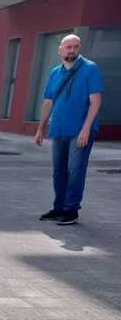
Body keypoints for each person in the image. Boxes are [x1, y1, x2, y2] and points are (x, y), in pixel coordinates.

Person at [34, 33, 104, 226]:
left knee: (75, 170)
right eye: (68, 47)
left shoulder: (90, 69)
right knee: (59, 171)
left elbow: (96, 101)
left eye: (75, 46)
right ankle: (59, 208)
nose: (72, 50)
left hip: (80, 131)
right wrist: (40, 129)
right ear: (60, 50)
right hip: (58, 129)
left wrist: (86, 128)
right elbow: (48, 102)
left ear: (79, 48)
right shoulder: (55, 72)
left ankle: (71, 210)